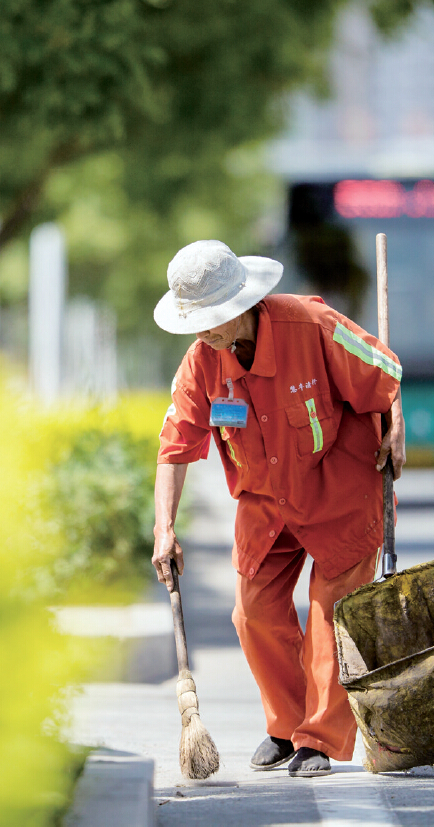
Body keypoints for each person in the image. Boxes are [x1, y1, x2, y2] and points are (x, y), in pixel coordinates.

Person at [152, 239, 405, 778]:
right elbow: (174, 447)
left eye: (213, 319)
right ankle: (288, 725)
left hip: (339, 493)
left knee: (329, 617)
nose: (203, 332)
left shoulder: (311, 326)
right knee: (254, 614)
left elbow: (384, 374)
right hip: (266, 505)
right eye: (194, 321)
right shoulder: (202, 362)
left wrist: (396, 424)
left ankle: (319, 738)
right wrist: (164, 529)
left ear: (243, 304)